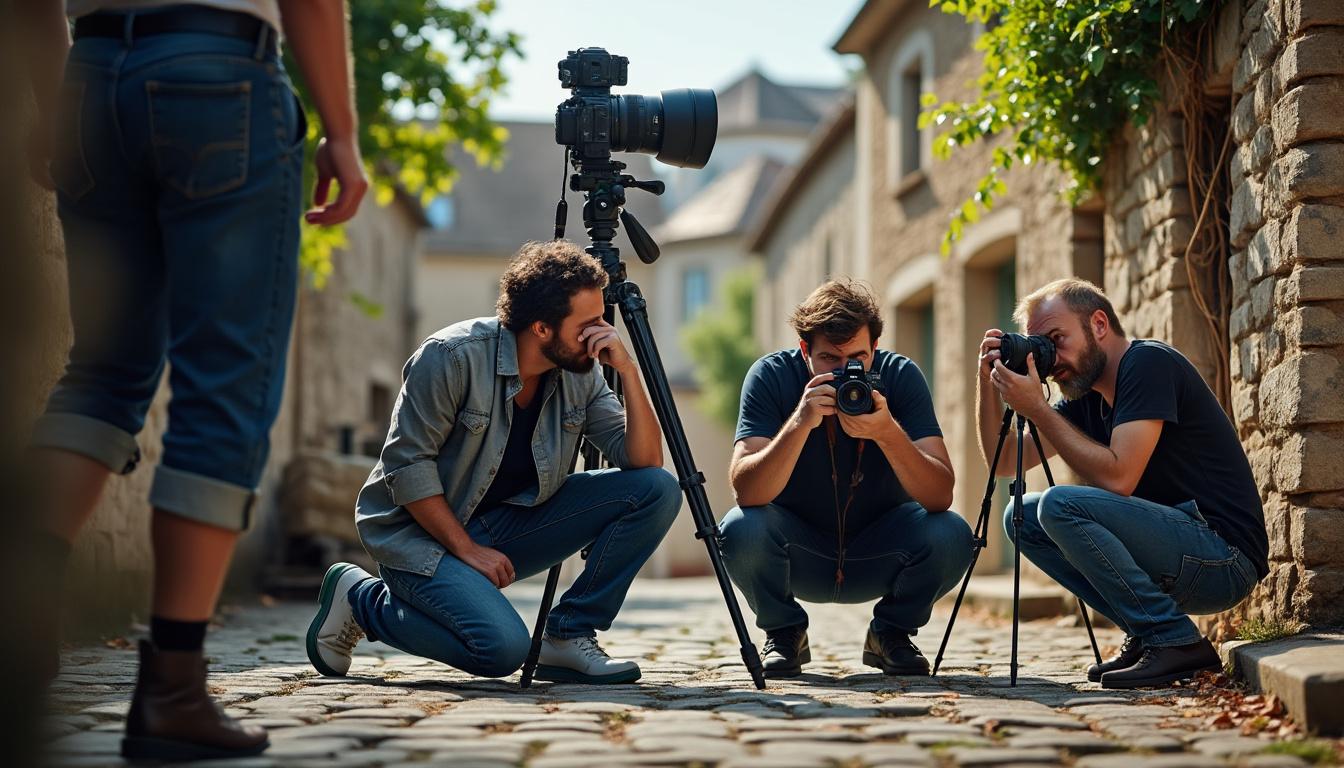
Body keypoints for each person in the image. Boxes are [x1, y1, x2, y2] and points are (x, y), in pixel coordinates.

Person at [24, 0, 367, 759]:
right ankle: (173, 690)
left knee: (102, 373)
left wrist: (57, 105)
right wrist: (341, 135)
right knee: (226, 386)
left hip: (92, 71)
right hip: (219, 76)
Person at [306, 241, 681, 686]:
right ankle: (364, 600)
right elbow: (407, 467)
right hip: (421, 538)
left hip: (505, 527)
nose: (602, 332)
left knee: (656, 489)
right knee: (501, 650)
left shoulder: (582, 370)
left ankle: (567, 635)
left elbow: (644, 459)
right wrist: (466, 550)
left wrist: (629, 371)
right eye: (590, 323)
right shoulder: (450, 356)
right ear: (542, 328)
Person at [978, 278, 1267, 689]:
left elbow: (1119, 476)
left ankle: (1174, 640)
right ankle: (1148, 632)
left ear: (1098, 324)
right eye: (1039, 346)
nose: (1049, 358)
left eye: (1056, 339)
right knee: (1019, 515)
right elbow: (1004, 460)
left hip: (1225, 558)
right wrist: (988, 380)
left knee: (1058, 504)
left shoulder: (1148, 364)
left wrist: (1039, 410)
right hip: (1181, 552)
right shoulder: (1085, 398)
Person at [720, 279, 972, 678]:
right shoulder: (771, 375)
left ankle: (891, 634)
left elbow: (940, 495)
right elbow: (746, 491)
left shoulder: (900, 376)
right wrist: (800, 422)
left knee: (953, 533)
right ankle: (784, 633)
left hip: (880, 548)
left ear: (874, 349)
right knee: (740, 528)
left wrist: (887, 432)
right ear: (805, 351)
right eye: (829, 360)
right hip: (799, 550)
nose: (845, 373)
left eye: (858, 358)